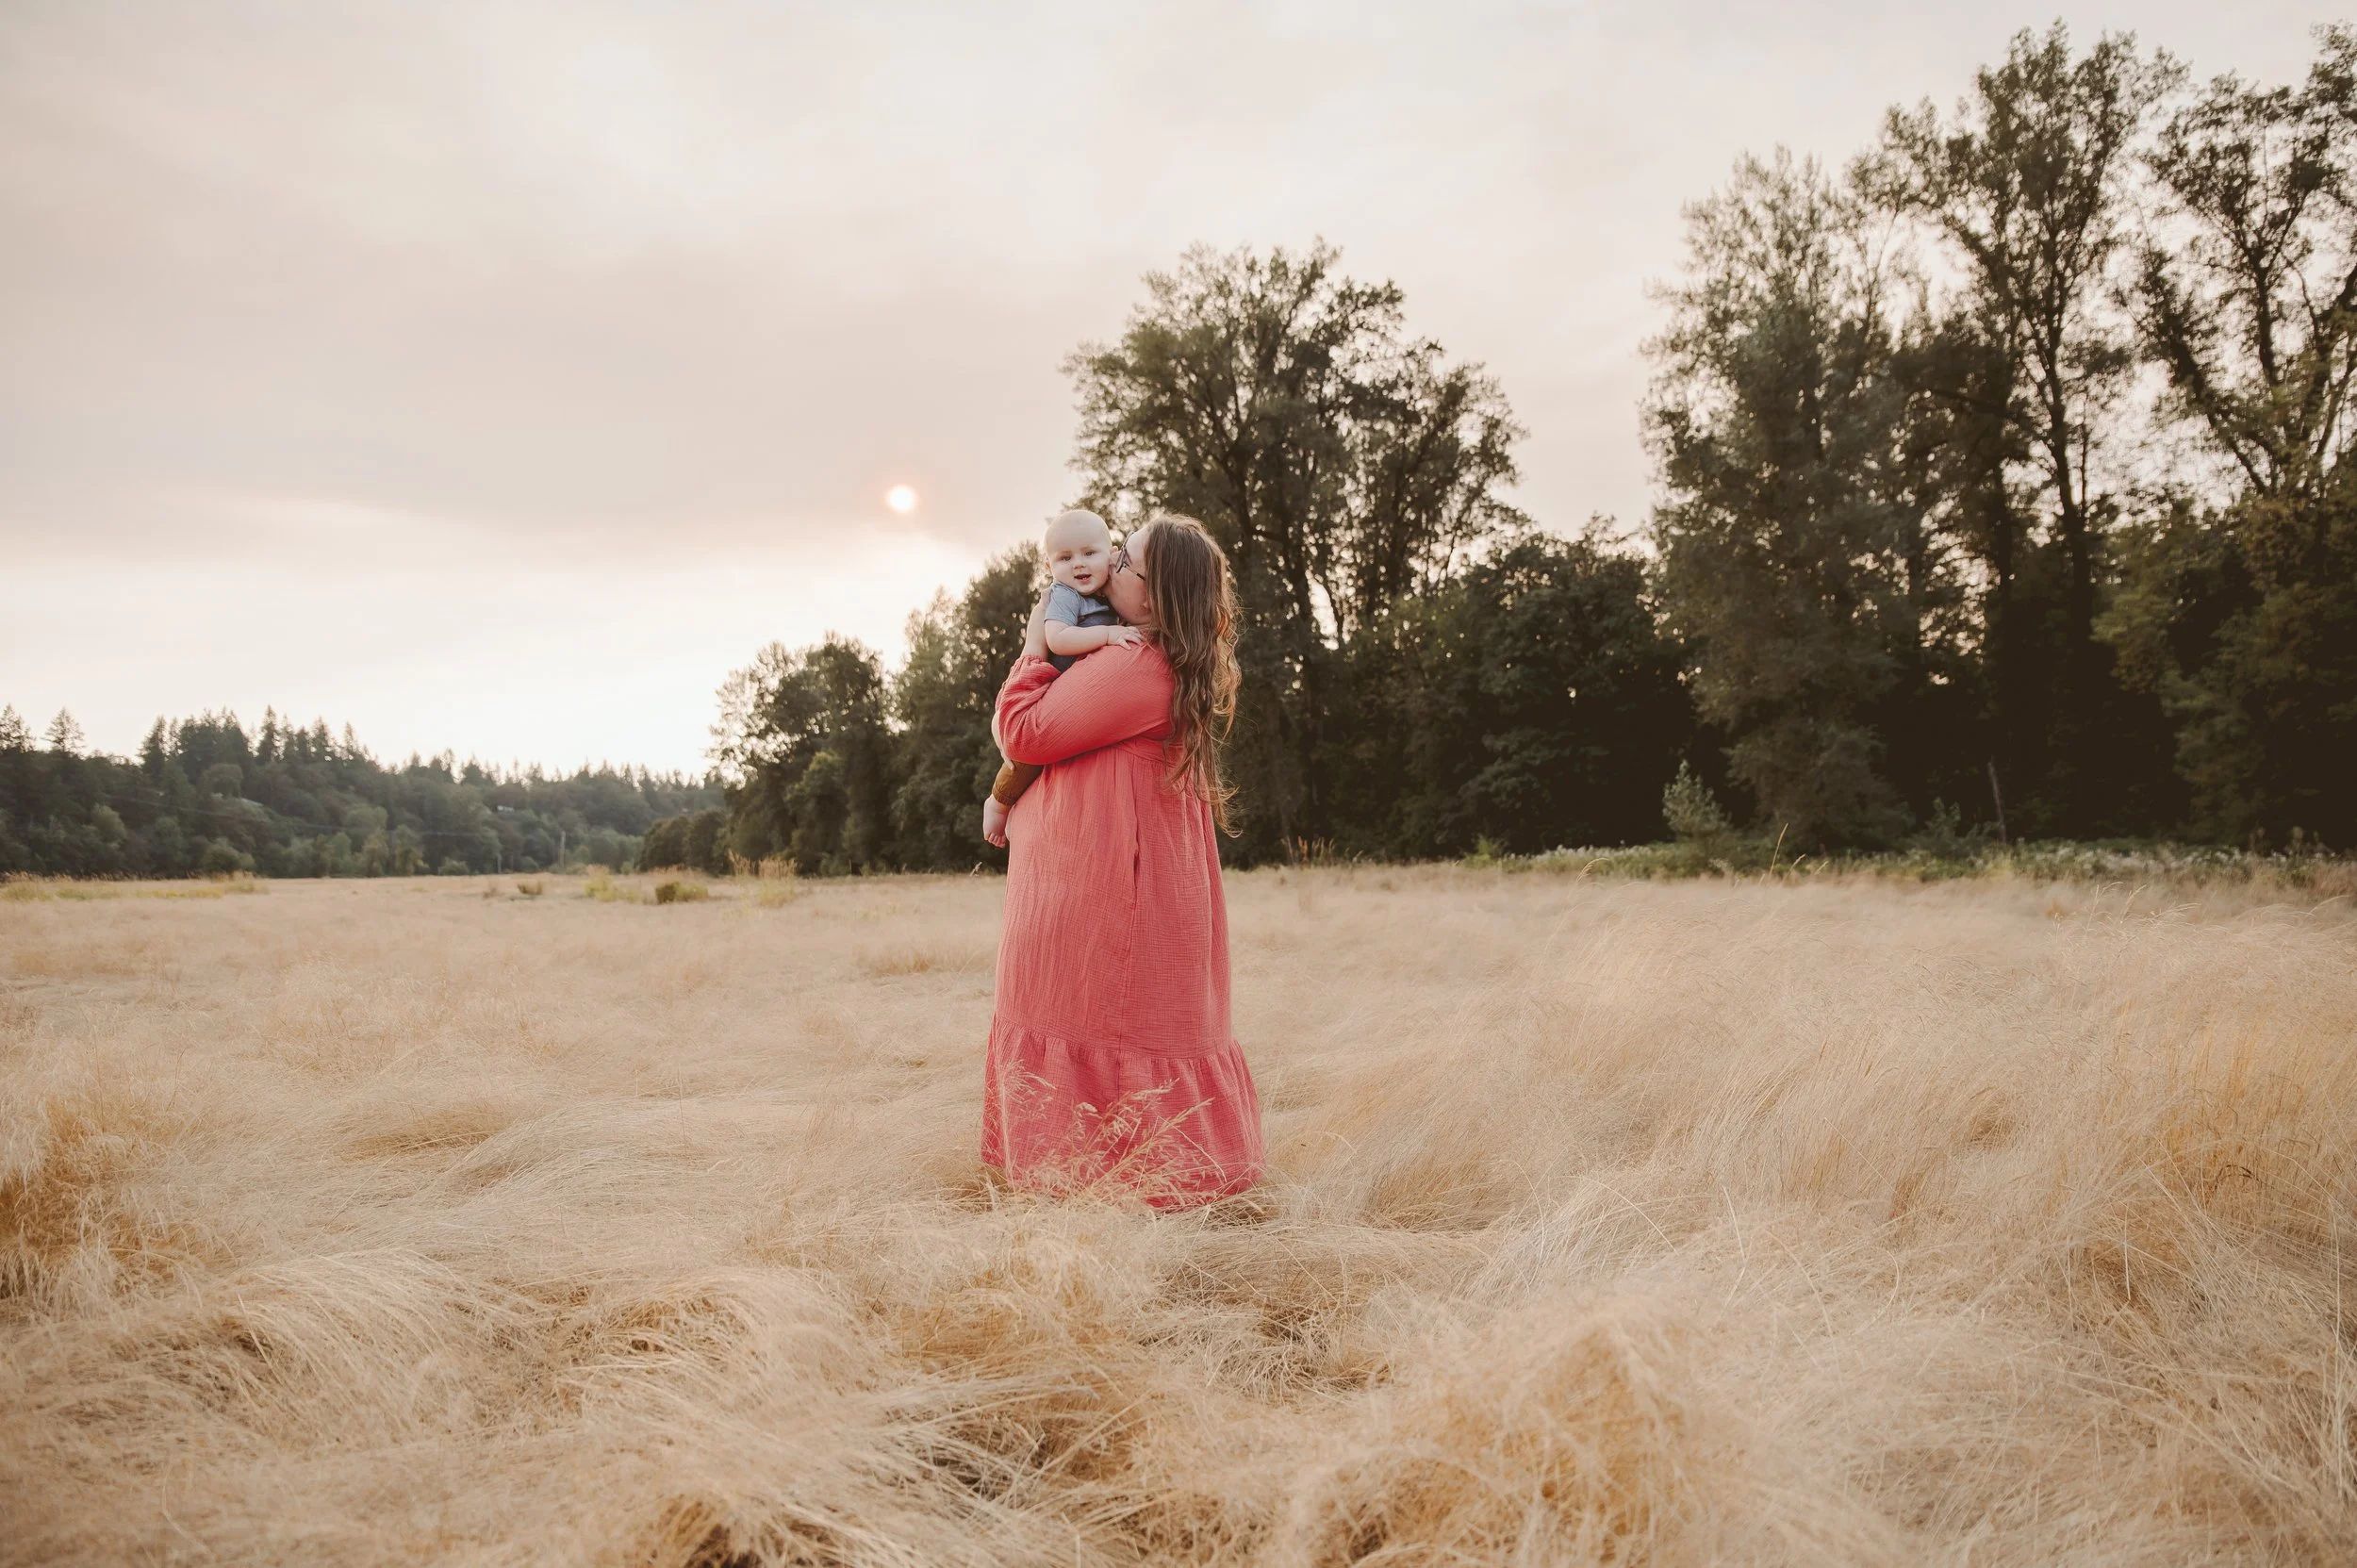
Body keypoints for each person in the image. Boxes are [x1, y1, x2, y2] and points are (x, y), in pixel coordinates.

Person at [977, 513, 1264, 1207]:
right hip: (1118, 878)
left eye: (1128, 565)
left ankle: (1117, 1184)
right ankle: (1119, 1182)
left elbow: (1023, 729)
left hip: (1104, 887)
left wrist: (1032, 646)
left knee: (1106, 1014)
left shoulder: (1135, 662)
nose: (1112, 573)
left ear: (1159, 596)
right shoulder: (1157, 659)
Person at [986, 509, 1140, 814]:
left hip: (1079, 695)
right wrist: (1108, 634)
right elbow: (1058, 638)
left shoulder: (1106, 593)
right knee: (1025, 760)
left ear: (1111, 557)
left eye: (1089, 553)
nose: (1079, 564)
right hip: (1046, 690)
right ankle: (998, 804)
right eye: (1065, 558)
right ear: (1049, 566)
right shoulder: (1067, 595)